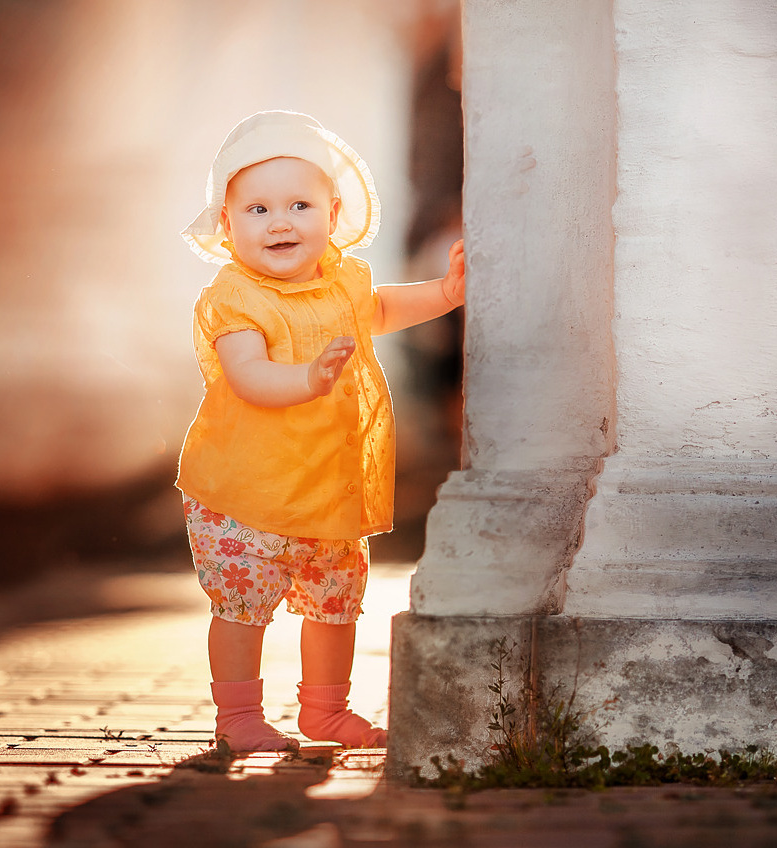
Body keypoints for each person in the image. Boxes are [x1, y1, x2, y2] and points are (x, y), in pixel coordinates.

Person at [177, 111, 465, 753]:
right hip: (246, 494)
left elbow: (383, 308)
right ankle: (239, 716)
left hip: (329, 491)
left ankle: (326, 711)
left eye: (299, 205)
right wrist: (308, 378)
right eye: (256, 210)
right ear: (226, 226)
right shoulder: (236, 299)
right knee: (243, 609)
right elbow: (249, 374)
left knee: (335, 606)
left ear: (332, 215)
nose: (279, 222)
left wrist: (444, 294)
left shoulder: (343, 281)